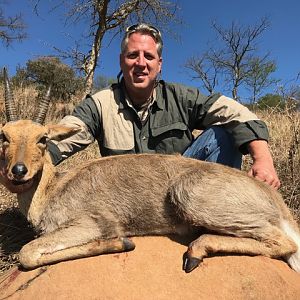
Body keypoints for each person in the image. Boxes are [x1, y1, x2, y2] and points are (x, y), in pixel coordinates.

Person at [5, 23, 281, 190]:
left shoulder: (181, 96)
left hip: (185, 188)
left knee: (223, 134)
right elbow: (59, 138)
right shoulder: (100, 104)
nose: (141, 62)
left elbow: (238, 114)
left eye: (148, 56)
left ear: (159, 64)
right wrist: (19, 166)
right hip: (131, 198)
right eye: (132, 55)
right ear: (122, 60)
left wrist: (263, 160)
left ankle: (217, 214)